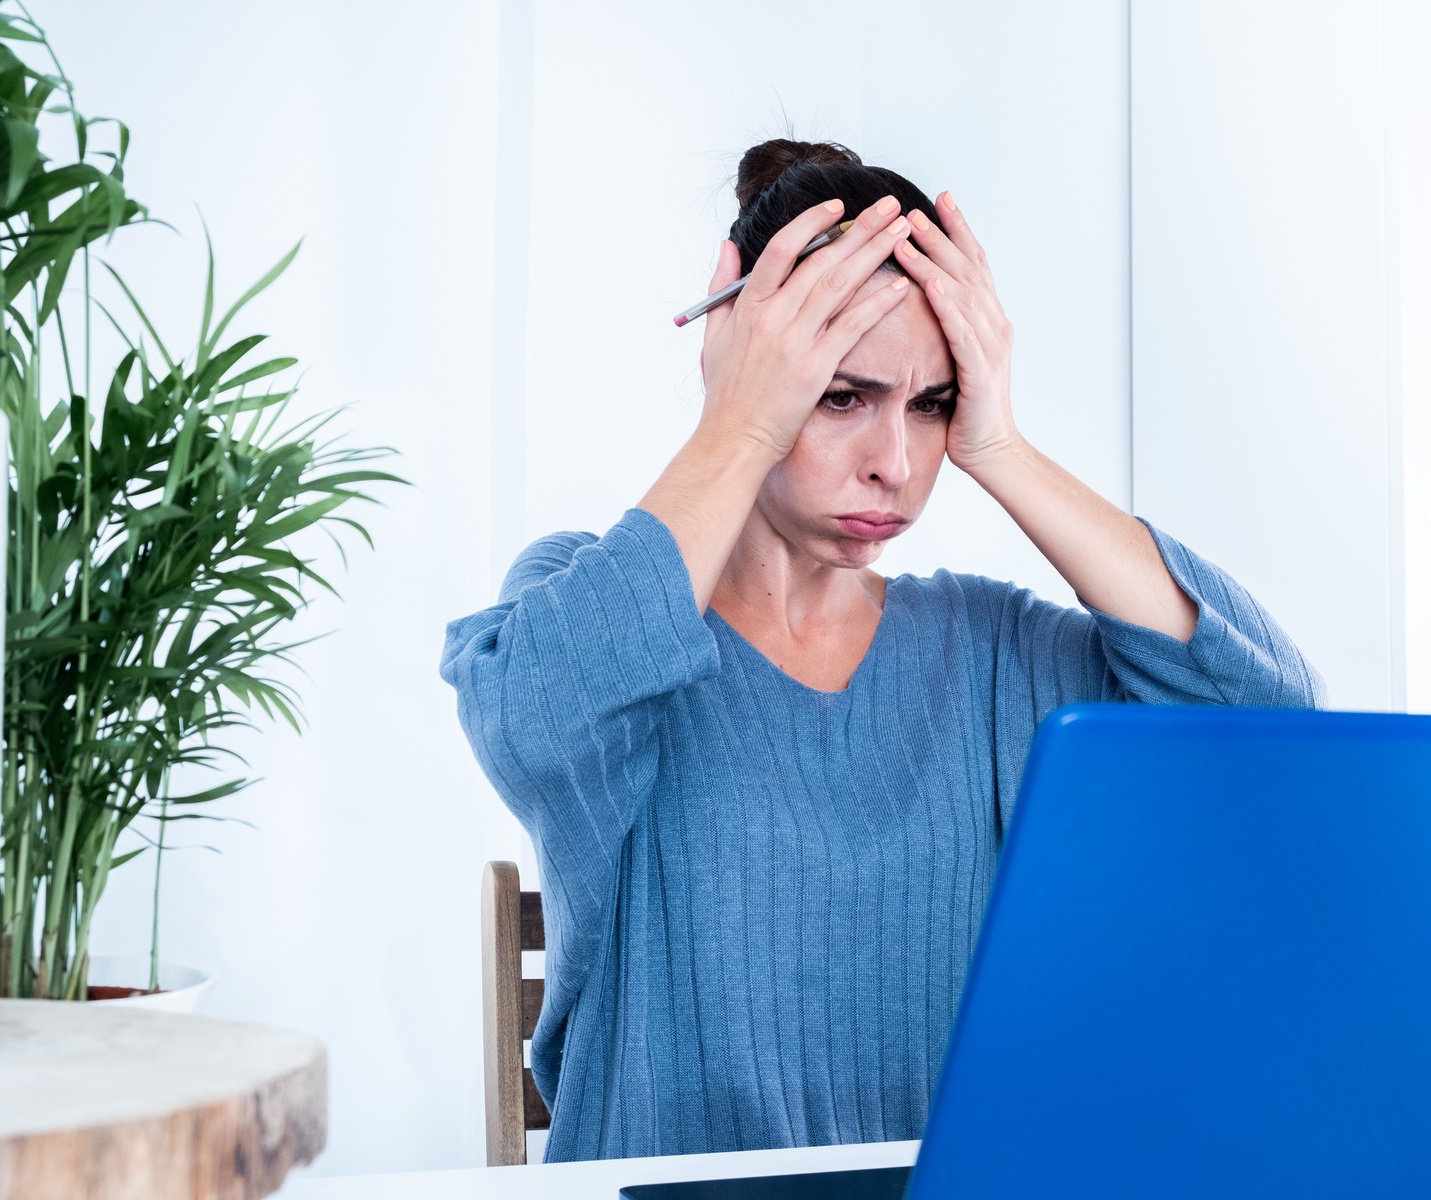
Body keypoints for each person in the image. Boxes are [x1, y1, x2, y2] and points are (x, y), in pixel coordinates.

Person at [439, 139, 1324, 1163]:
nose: (896, 465)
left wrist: (1000, 446)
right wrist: (736, 422)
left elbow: (1272, 731)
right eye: (839, 395)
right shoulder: (585, 595)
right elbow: (531, 716)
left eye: (932, 404)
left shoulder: (994, 654)